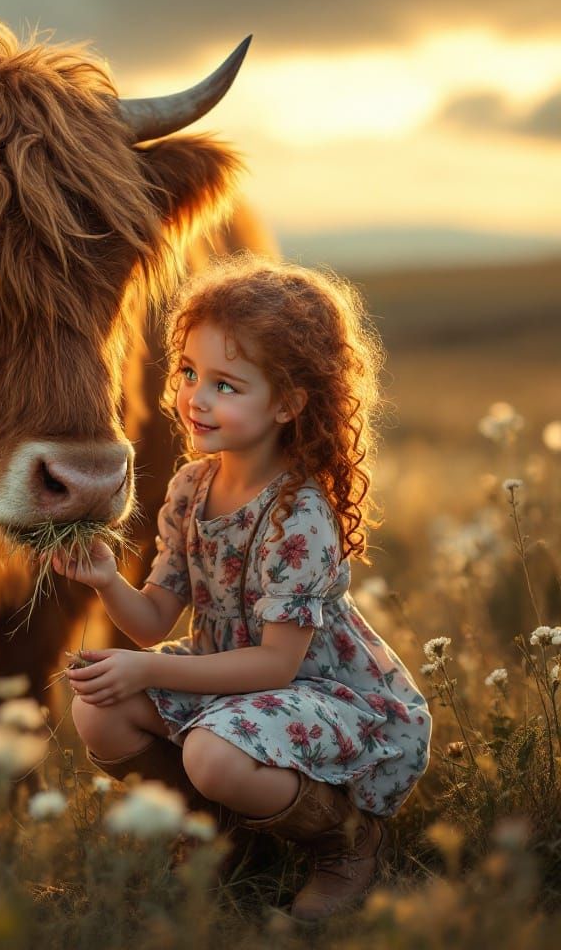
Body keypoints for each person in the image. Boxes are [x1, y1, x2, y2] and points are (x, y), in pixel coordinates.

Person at [54, 253, 431, 920]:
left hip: (315, 691)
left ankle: (347, 843)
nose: (195, 398)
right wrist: (108, 580)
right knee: (97, 711)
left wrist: (144, 669)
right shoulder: (192, 486)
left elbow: (275, 663)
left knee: (212, 754)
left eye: (227, 385)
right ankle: (221, 836)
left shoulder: (299, 516)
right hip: (228, 678)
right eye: (189, 373)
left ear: (288, 404)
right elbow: (152, 621)